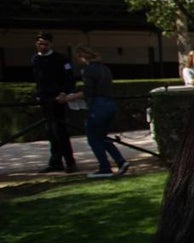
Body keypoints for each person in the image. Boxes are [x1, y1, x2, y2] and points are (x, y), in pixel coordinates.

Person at [60, 46, 129, 178]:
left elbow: (88, 90)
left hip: (98, 106)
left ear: (82, 56)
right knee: (102, 137)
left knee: (93, 138)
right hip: (109, 104)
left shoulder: (88, 70)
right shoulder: (105, 69)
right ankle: (120, 161)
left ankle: (105, 166)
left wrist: (70, 97)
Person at [31, 31, 78, 173]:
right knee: (50, 131)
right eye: (40, 44)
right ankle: (55, 161)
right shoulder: (35, 59)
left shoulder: (60, 59)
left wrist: (64, 92)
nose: (42, 46)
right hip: (45, 99)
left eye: (45, 44)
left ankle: (70, 161)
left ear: (50, 44)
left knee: (60, 130)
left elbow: (69, 78)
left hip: (58, 98)